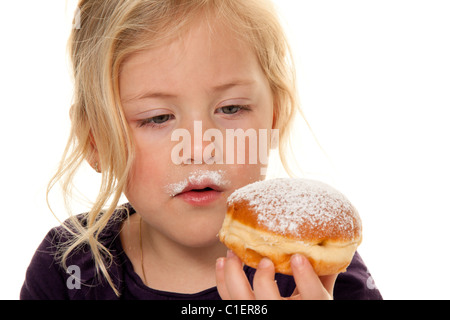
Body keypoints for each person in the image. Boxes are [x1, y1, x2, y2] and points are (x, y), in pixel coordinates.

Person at [21, 0, 382, 300]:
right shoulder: (68, 269)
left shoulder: (319, 271)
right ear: (94, 141)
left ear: (275, 120)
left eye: (230, 109)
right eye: (158, 117)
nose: (199, 146)